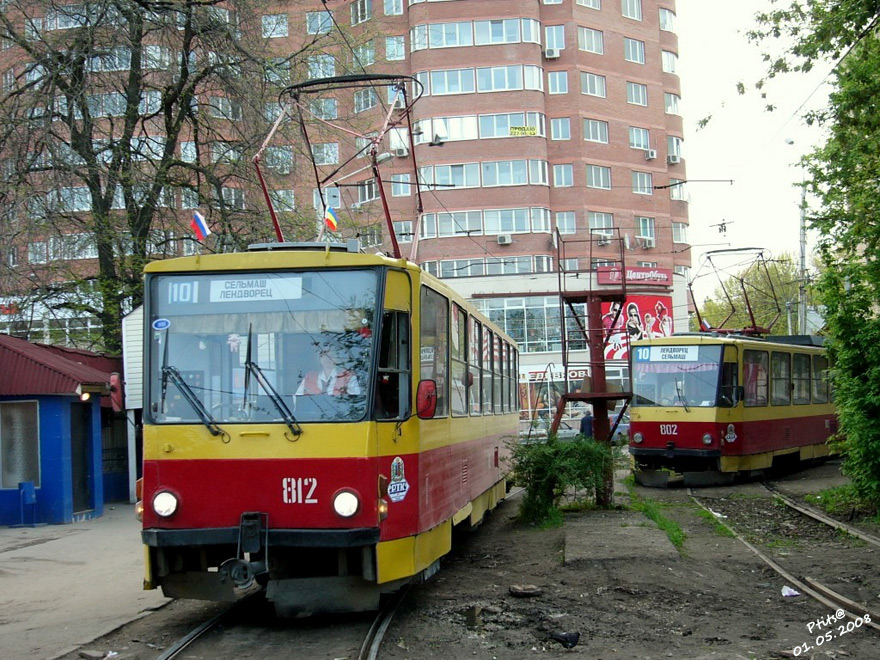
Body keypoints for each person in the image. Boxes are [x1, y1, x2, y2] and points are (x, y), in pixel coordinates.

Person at [295, 346, 361, 397]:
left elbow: (355, 398)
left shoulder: (347, 376)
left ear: (337, 358)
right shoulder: (309, 377)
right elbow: (298, 399)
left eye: (331, 356)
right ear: (319, 358)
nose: (327, 359)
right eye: (323, 356)